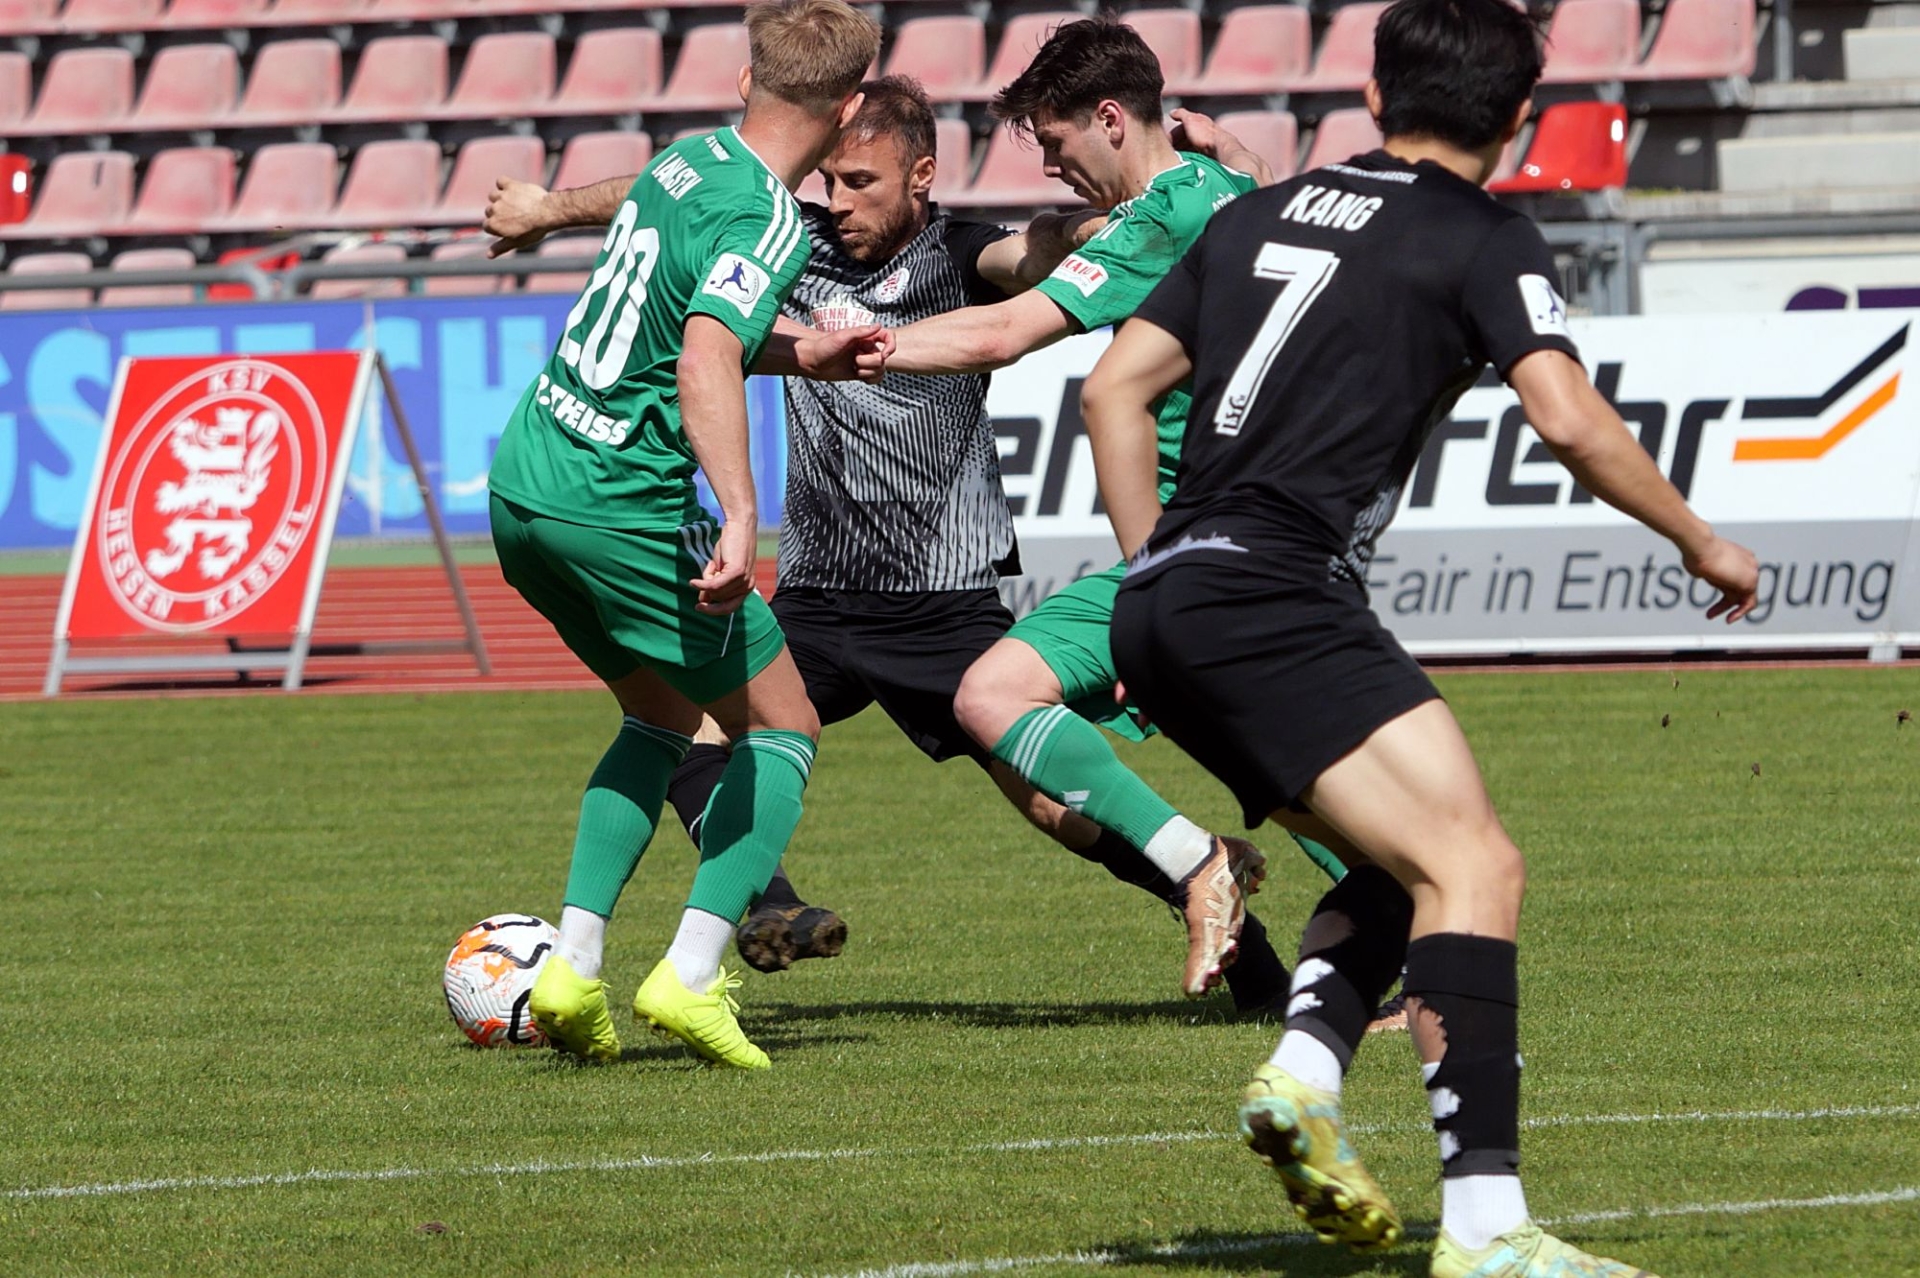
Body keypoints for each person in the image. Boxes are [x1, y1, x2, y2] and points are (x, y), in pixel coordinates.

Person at [1080, 0, 1760, 1271]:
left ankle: (1302, 1075)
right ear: (1521, 118)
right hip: (1277, 594)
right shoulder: (1483, 236)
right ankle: (1488, 1230)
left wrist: (1149, 565)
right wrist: (1699, 538)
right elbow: (1567, 420)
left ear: (1374, 95)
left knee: (1402, 873)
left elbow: (1111, 389)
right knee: (1478, 868)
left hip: (1164, 596)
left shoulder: (1254, 214)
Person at [483, 72, 1310, 1014]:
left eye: (861, 183)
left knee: (1054, 805)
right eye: (828, 181)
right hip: (817, 596)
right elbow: (663, 192)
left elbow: (1047, 249)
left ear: (921, 176)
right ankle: (769, 904)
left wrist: (1121, 213)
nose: (837, 203)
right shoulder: (785, 239)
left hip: (941, 604)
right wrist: (549, 209)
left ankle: (1252, 960)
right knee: (702, 735)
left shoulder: (964, 253)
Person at [880, 15, 1347, 998]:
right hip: (1257, 531)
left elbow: (1002, 334)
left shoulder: (1165, 216)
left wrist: (837, 348)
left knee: (996, 696)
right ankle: (1393, 932)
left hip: (1200, 547)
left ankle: (1209, 868)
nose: (1052, 167)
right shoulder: (1228, 188)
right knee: (1273, 769)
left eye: (1055, 142)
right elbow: (1247, 187)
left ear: (1108, 117)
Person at [484, 0, 883, 1070]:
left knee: (658, 717)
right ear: (850, 111)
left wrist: (801, 352)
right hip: (617, 504)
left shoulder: (685, 158)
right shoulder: (770, 220)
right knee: (785, 726)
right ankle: (692, 977)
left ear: (746, 78)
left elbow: (691, 321)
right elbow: (705, 354)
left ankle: (570, 971)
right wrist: (744, 515)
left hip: (526, 487)